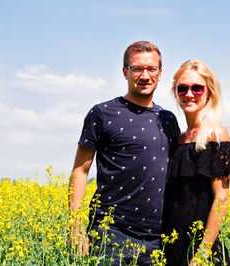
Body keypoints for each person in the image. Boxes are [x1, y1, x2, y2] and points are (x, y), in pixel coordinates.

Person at [69, 41, 180, 265]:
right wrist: (76, 227)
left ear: (160, 73)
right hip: (111, 235)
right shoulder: (101, 113)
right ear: (124, 72)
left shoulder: (169, 120)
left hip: (159, 238)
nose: (145, 75)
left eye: (152, 69)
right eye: (137, 68)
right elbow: (80, 171)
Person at [161, 60, 230, 266]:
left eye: (197, 88)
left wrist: (202, 254)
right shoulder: (177, 140)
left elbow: (221, 198)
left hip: (199, 249)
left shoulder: (216, 135)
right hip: (169, 244)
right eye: (182, 88)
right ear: (175, 93)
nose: (189, 94)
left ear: (210, 92)